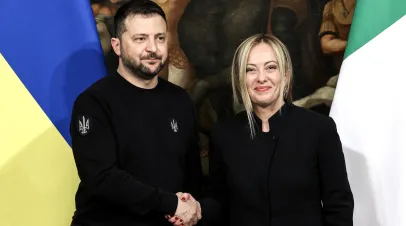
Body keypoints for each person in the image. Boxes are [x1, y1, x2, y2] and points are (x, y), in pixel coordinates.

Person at [168, 33, 354, 226]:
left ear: (286, 74)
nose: (261, 78)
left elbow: (338, 206)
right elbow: (218, 200)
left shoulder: (319, 129)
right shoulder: (224, 133)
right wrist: (195, 209)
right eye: (251, 70)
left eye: (271, 68)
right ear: (241, 78)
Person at [69, 1, 202, 225]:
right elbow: (101, 177)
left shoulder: (180, 100)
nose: (153, 48)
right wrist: (171, 204)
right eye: (140, 39)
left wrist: (192, 206)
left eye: (160, 38)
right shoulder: (93, 103)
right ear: (117, 45)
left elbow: (192, 176)